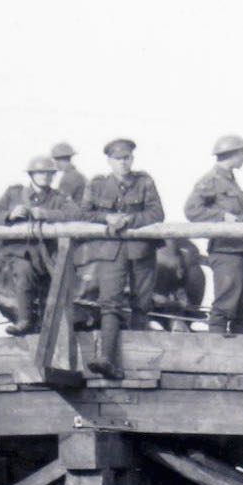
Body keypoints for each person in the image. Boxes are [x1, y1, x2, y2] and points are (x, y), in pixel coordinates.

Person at [76, 137, 164, 379]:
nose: (123, 163)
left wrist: (128, 220)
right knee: (110, 303)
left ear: (132, 159)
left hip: (141, 249)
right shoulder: (97, 185)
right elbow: (83, 213)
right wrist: (107, 218)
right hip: (111, 249)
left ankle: (136, 361)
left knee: (141, 303)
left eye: (127, 158)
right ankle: (106, 358)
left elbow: (157, 212)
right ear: (109, 161)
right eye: (117, 159)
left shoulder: (144, 182)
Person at [0, 155, 82, 335]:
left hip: (48, 255)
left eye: (49, 174)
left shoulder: (58, 197)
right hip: (19, 253)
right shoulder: (14, 193)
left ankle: (51, 328)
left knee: (58, 285)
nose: (45, 177)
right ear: (31, 174)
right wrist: (10, 214)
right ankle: (24, 320)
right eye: (40, 173)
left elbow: (75, 214)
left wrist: (46, 213)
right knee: (23, 271)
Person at [185, 134, 243, 333]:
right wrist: (222, 216)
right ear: (232, 154)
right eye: (242, 153)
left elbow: (239, 219)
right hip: (226, 251)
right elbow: (192, 210)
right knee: (225, 305)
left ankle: (239, 355)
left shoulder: (230, 181)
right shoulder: (210, 180)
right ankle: (215, 352)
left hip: (242, 249)